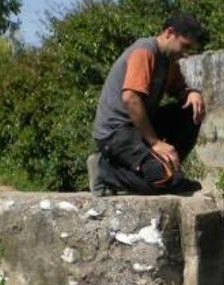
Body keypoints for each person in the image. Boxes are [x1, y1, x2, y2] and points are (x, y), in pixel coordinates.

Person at [88, 13, 207, 196]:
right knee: (164, 182)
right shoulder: (145, 51)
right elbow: (131, 98)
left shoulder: (170, 60)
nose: (186, 53)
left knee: (192, 110)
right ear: (169, 33)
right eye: (185, 45)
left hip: (139, 126)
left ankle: (169, 169)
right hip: (116, 132)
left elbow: (179, 89)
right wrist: (155, 143)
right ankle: (105, 170)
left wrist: (191, 94)